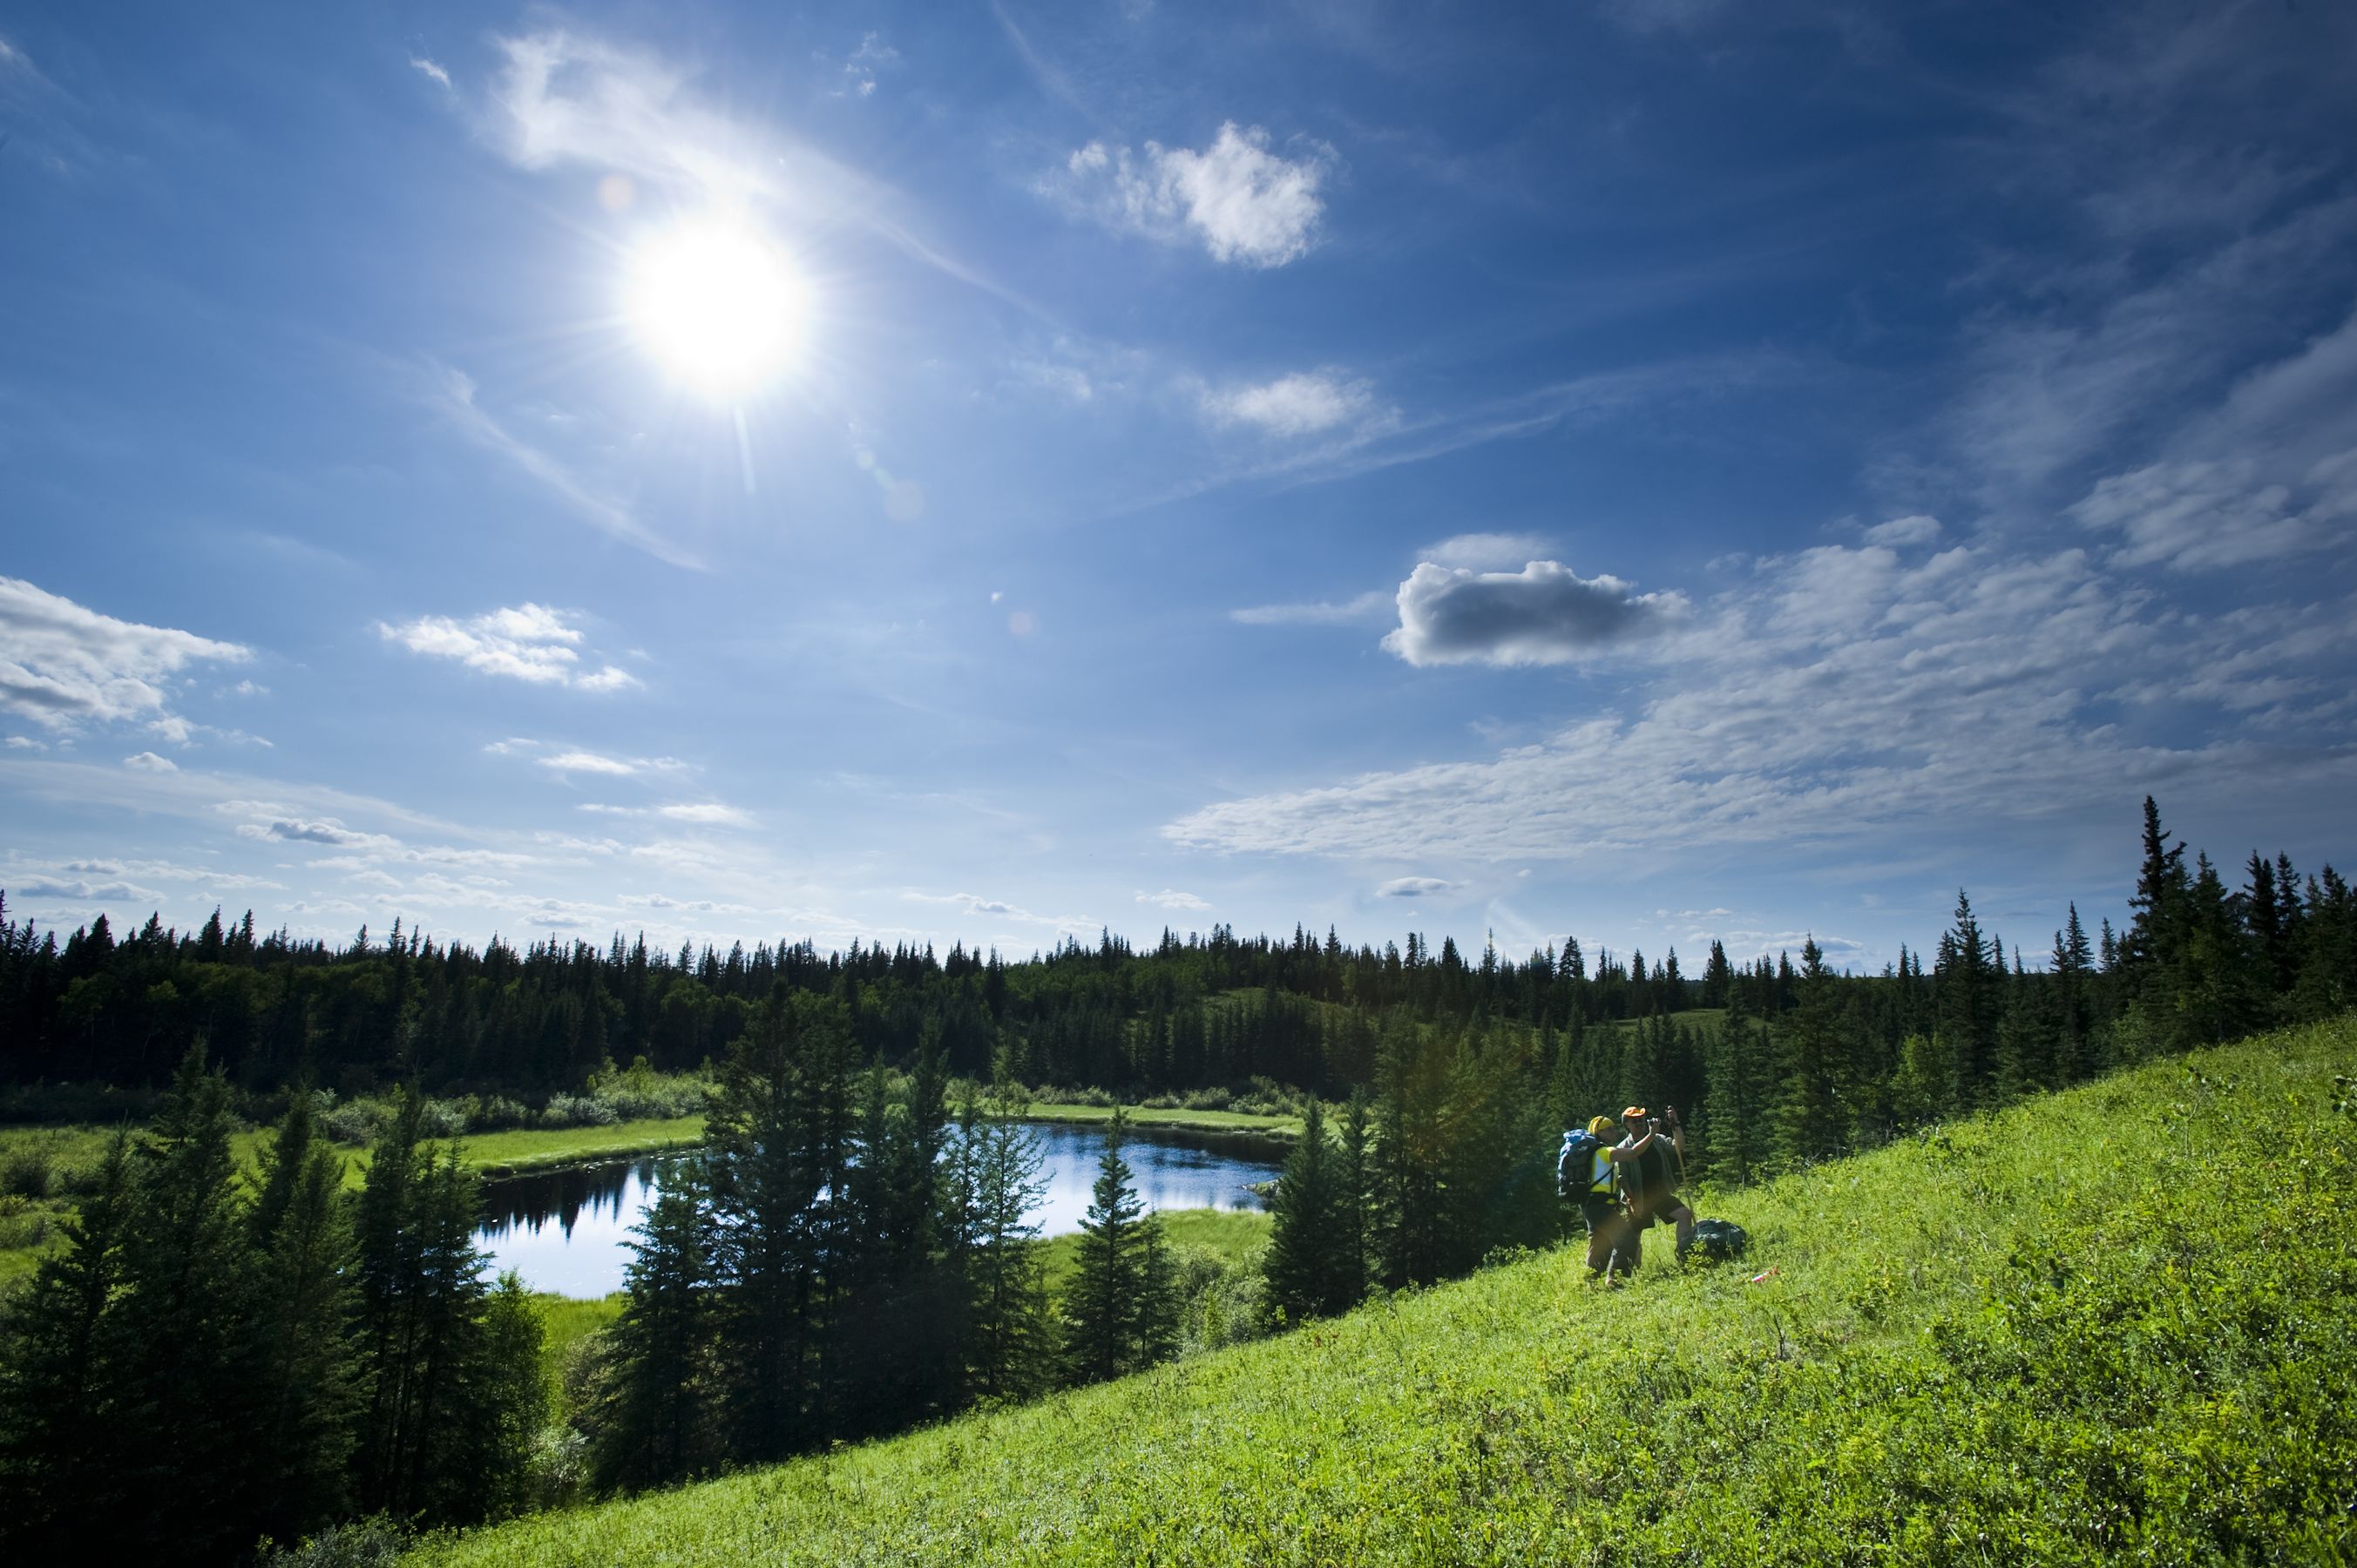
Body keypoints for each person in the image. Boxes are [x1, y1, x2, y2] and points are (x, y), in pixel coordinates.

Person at [1561, 1114, 1639, 1279]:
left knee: (1599, 1245)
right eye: (1609, 1129)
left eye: (1613, 1128)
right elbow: (1633, 1153)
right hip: (1599, 1206)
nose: (1614, 1132)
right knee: (1627, 1240)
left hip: (1591, 1205)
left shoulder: (1593, 1154)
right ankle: (1616, 1280)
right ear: (1599, 1133)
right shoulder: (1603, 1151)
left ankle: (1589, 1284)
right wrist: (1653, 1133)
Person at [1616, 1105, 1697, 1261]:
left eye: (1641, 1120)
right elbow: (1622, 1178)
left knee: (1685, 1215)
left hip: (1659, 1194)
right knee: (1634, 1236)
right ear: (1627, 1125)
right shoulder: (1623, 1148)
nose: (1639, 1123)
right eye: (1634, 1121)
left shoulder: (1657, 1139)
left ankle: (1686, 1256)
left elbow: (1679, 1147)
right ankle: (1633, 1273)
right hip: (1637, 1198)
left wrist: (1676, 1123)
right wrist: (1632, 1202)